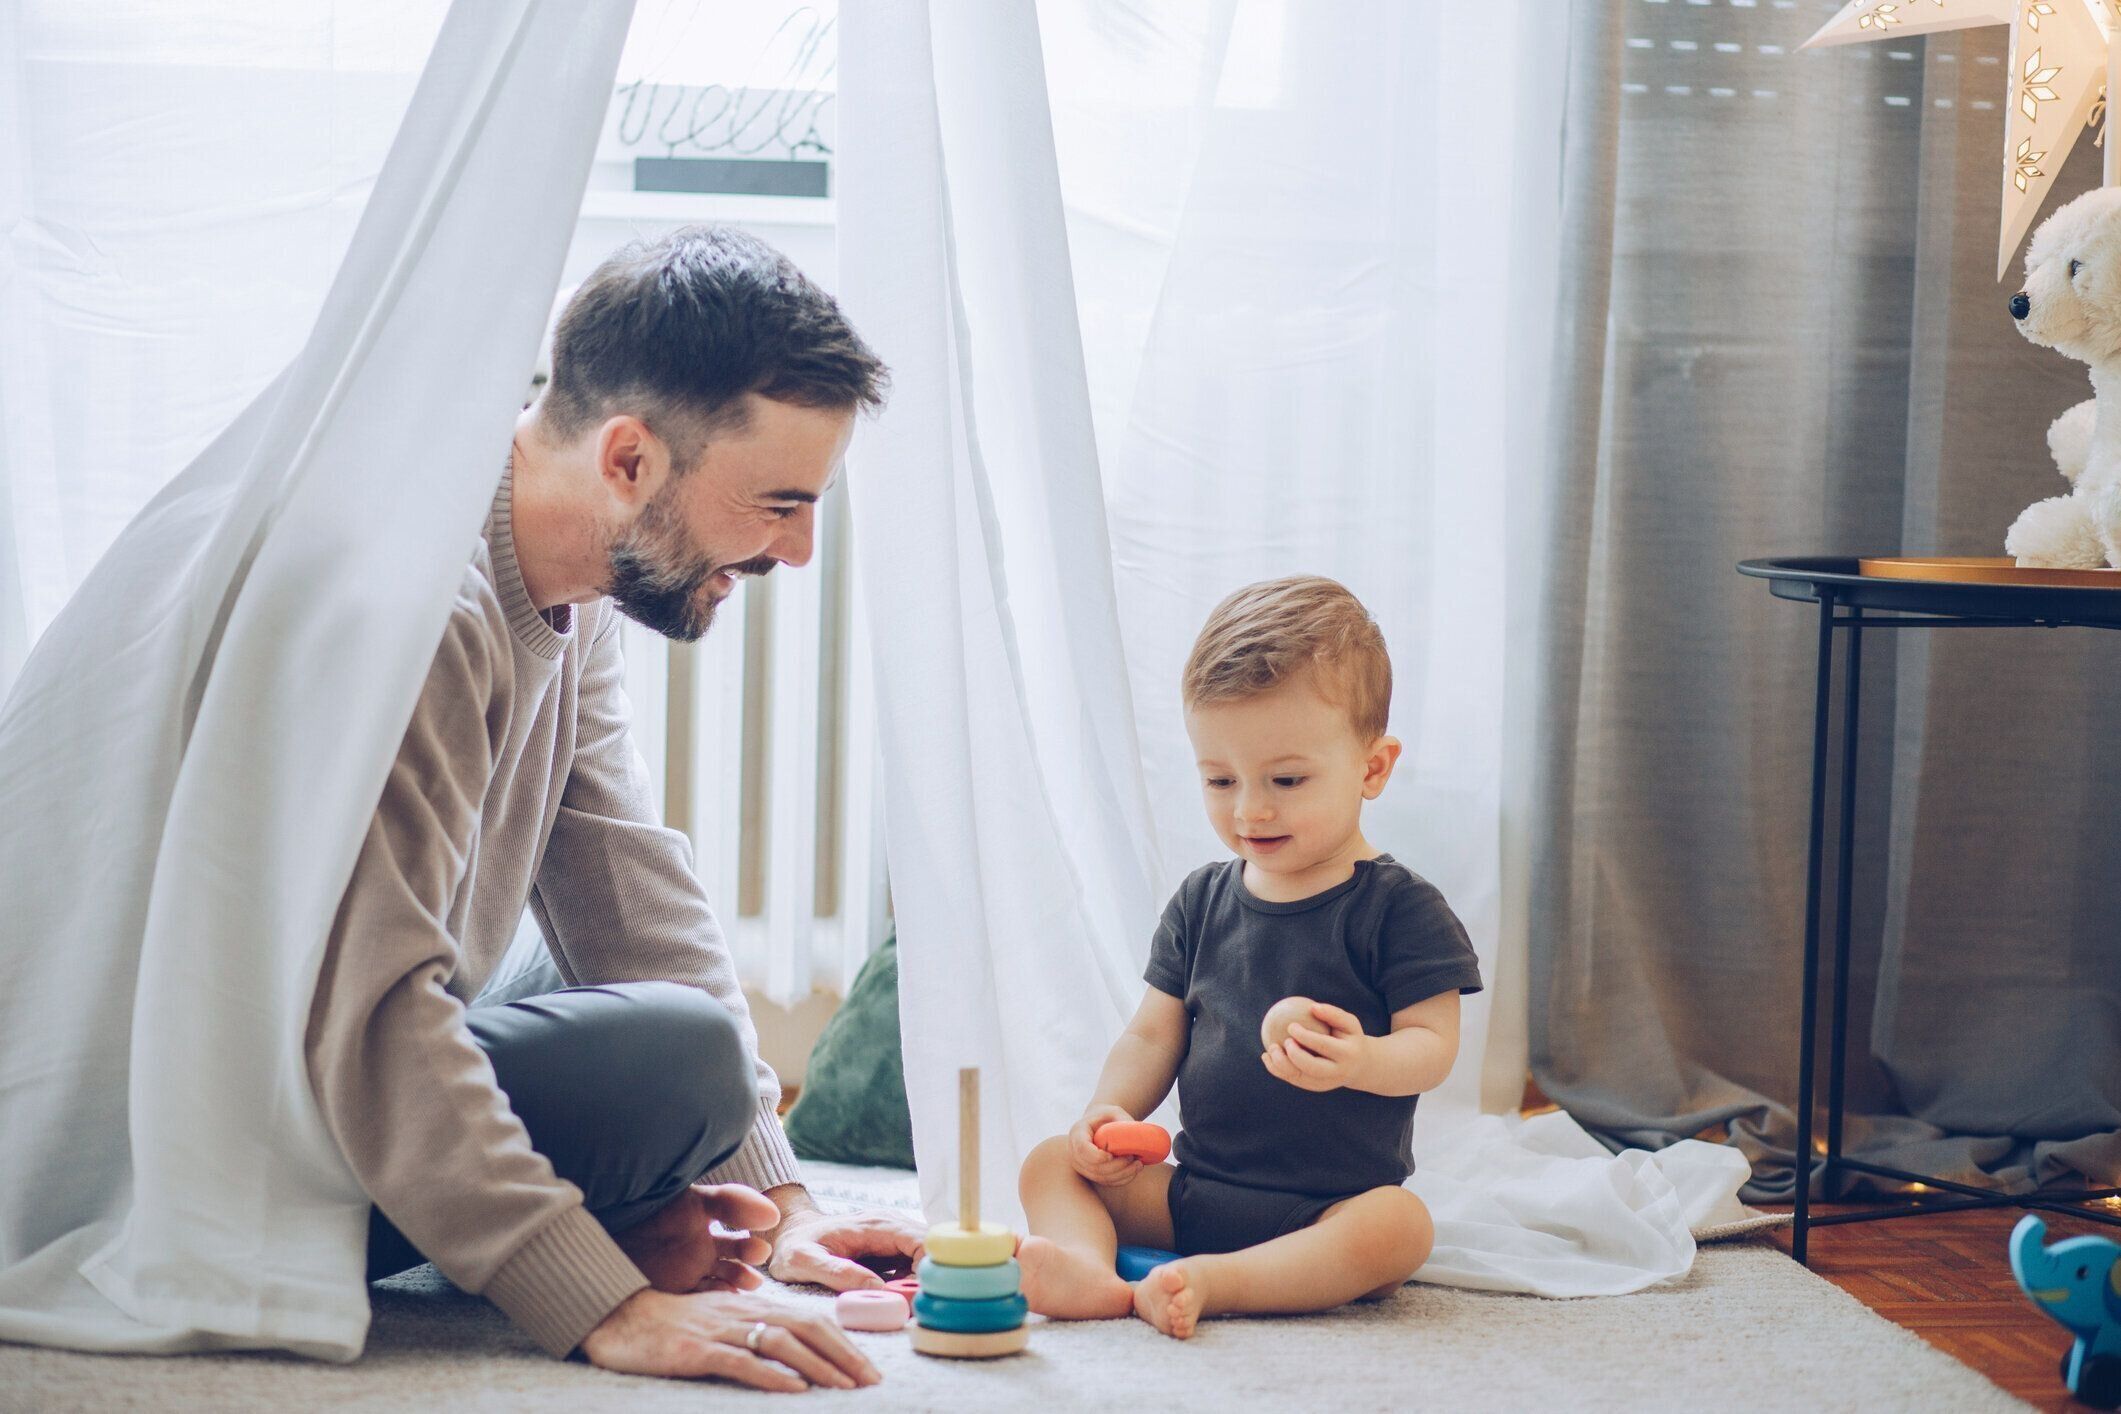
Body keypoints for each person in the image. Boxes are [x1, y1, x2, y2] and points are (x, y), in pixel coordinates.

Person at [304, 226, 920, 1391]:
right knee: (670, 1052)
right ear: (628, 459)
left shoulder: (570, 589)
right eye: (781, 503)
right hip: (262, 1098)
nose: (796, 550)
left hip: (353, 1048)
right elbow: (373, 1006)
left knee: (604, 991)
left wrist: (788, 1205)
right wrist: (603, 1305)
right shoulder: (425, 606)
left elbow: (629, 887)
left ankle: (573, 1216)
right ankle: (542, 1233)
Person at [1014, 575, 1484, 1337]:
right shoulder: (1201, 901)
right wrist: (1109, 1115)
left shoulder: (1398, 907)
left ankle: (1217, 1282)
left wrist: (1359, 1061)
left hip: (1324, 1208)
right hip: (1198, 1191)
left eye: (1286, 780)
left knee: (1399, 1228)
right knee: (1048, 1162)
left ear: (1371, 767)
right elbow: (1149, 1035)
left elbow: (1432, 1049)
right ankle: (1088, 1274)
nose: (1249, 809)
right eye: (1219, 779)